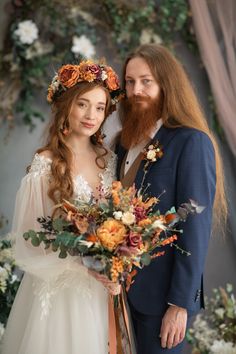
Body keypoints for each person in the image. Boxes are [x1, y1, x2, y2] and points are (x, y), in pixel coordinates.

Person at [2, 60, 123, 354]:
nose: (91, 115)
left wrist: (114, 262)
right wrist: (85, 262)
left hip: (101, 291)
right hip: (61, 293)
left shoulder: (110, 160)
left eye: (99, 106)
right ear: (66, 104)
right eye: (82, 104)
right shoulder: (45, 163)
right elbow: (29, 244)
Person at [115, 44, 227, 354]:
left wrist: (182, 305)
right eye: (130, 81)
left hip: (164, 304)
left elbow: (196, 227)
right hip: (118, 296)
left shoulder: (191, 141)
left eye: (146, 81)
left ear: (166, 84)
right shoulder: (123, 144)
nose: (136, 90)